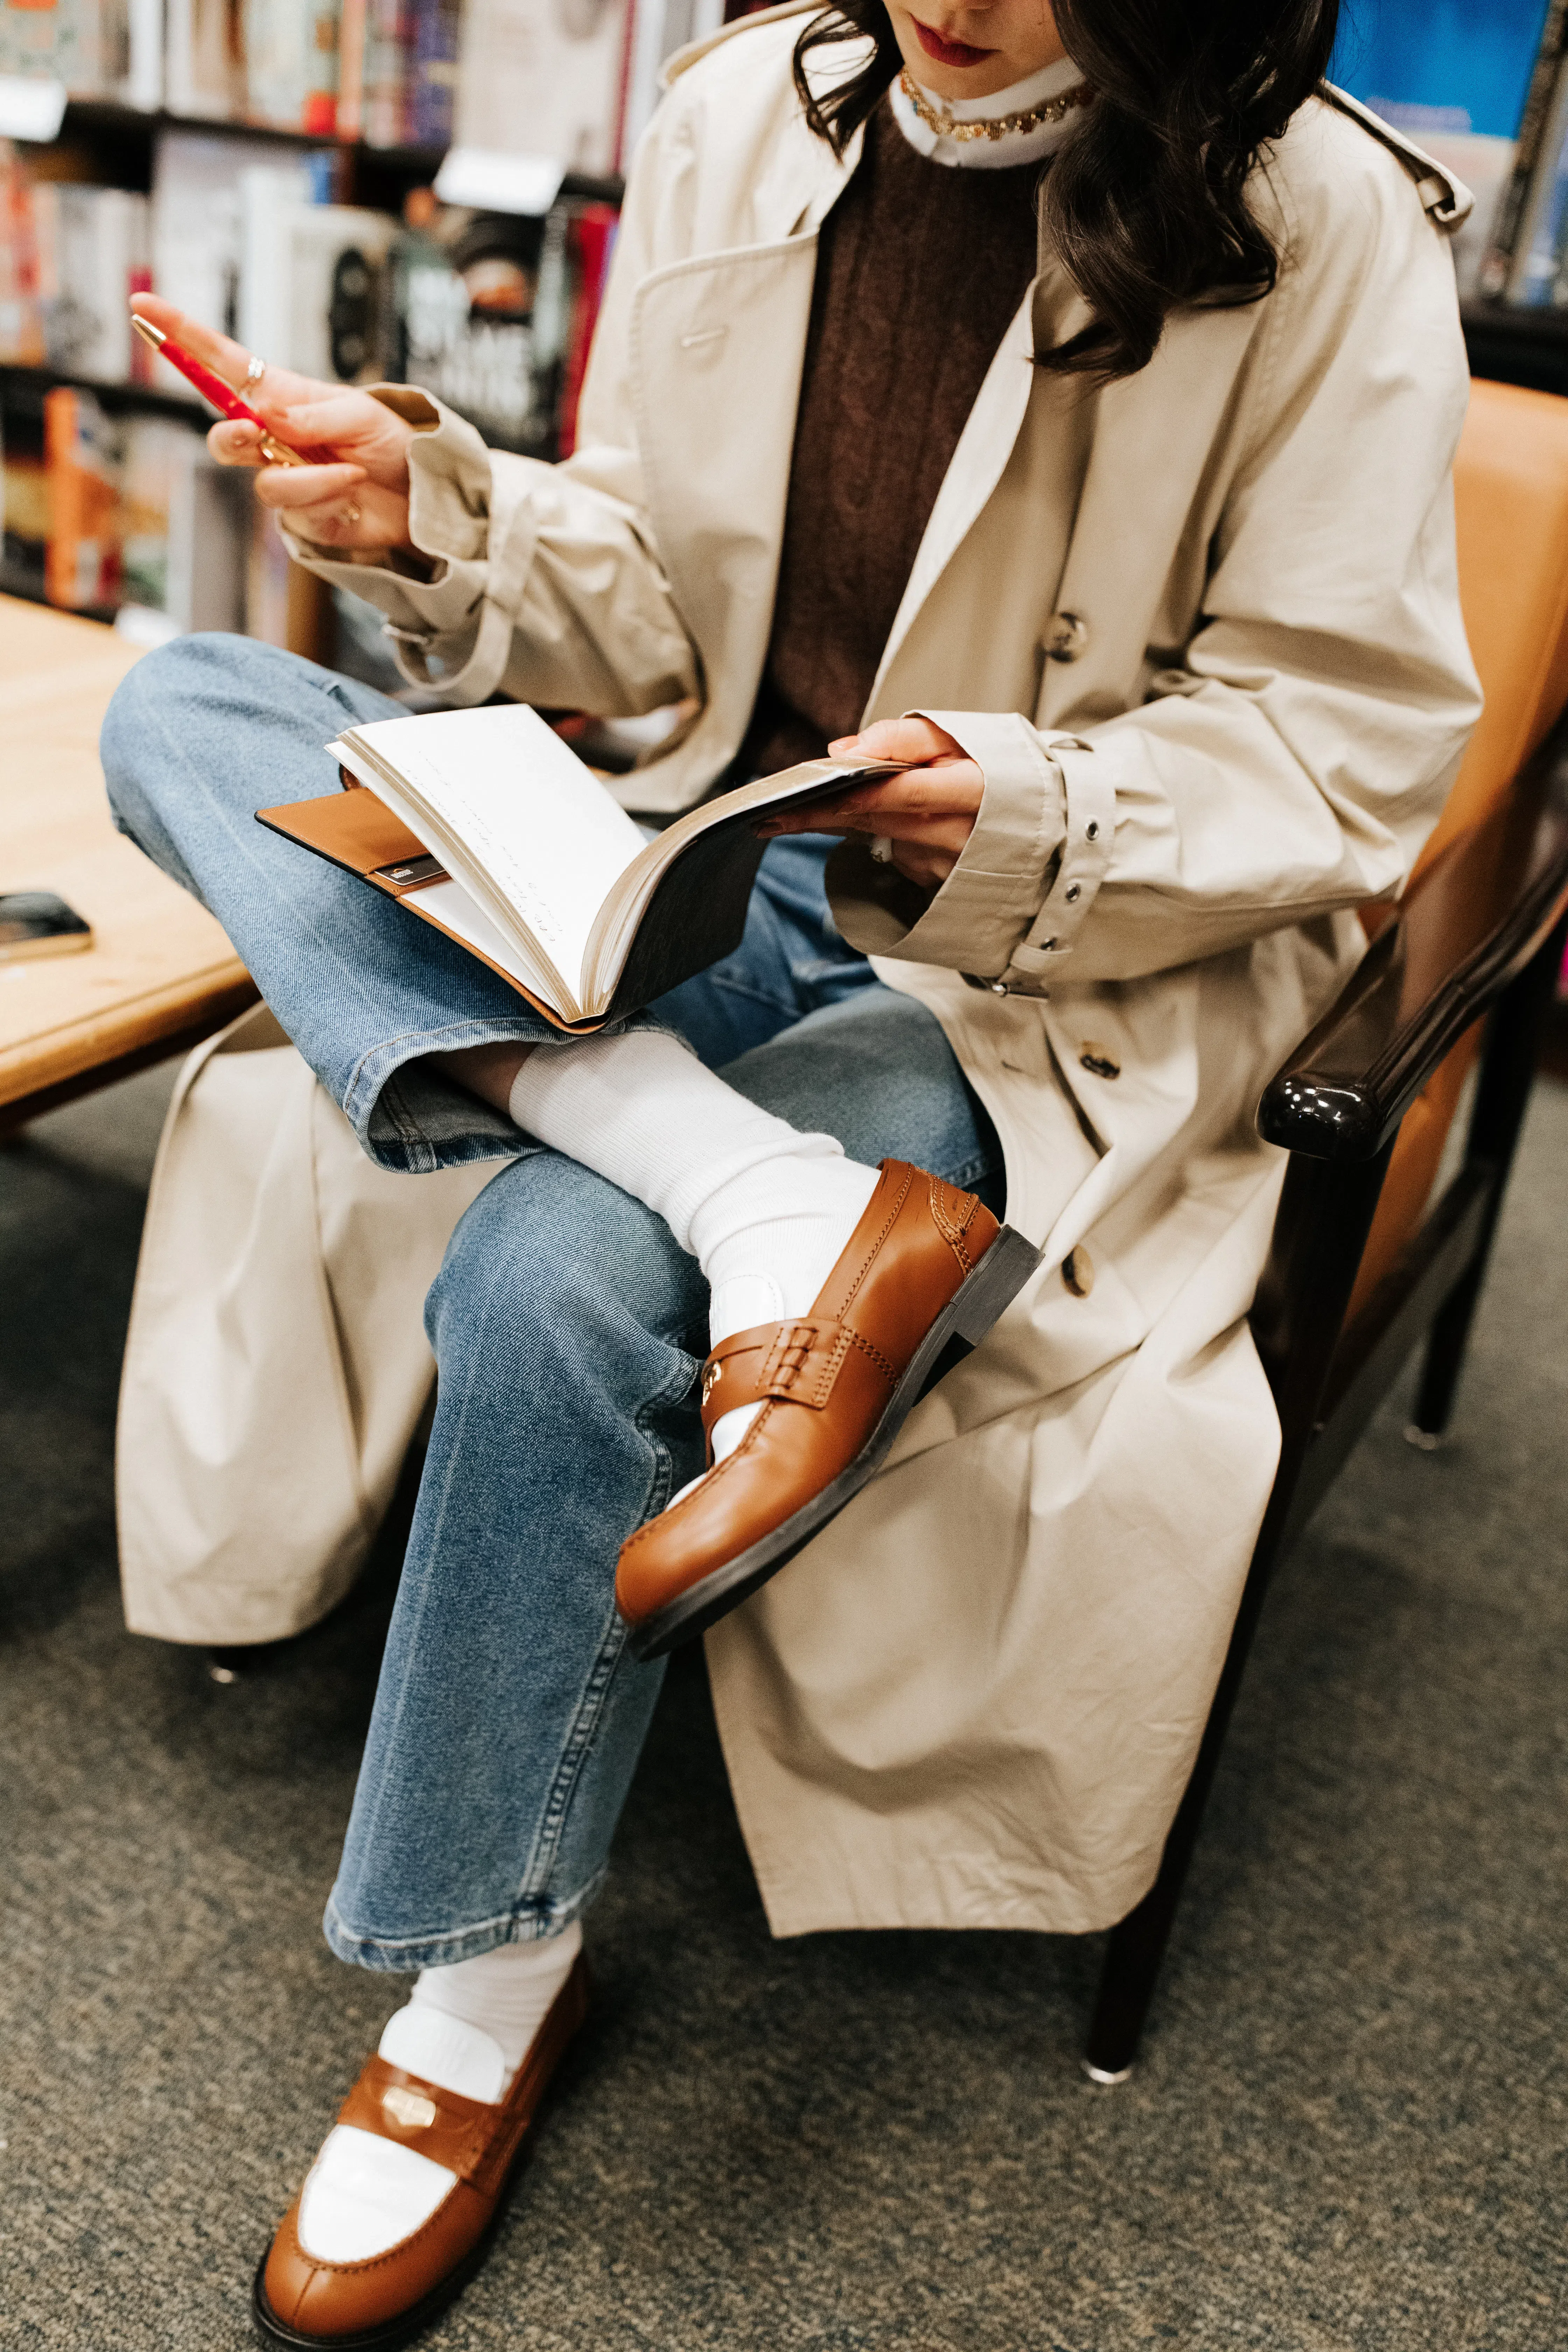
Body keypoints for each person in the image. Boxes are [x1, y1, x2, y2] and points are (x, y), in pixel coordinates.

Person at [103, 0, 1483, 2336]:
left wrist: (1031, 803)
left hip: (1012, 965)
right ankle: (739, 1184)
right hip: (679, 853)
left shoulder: (1327, 217)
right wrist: (438, 506)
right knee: (183, 702)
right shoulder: (747, 101)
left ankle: (474, 1989)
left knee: (551, 1278)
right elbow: (647, 593)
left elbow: (1345, 753)